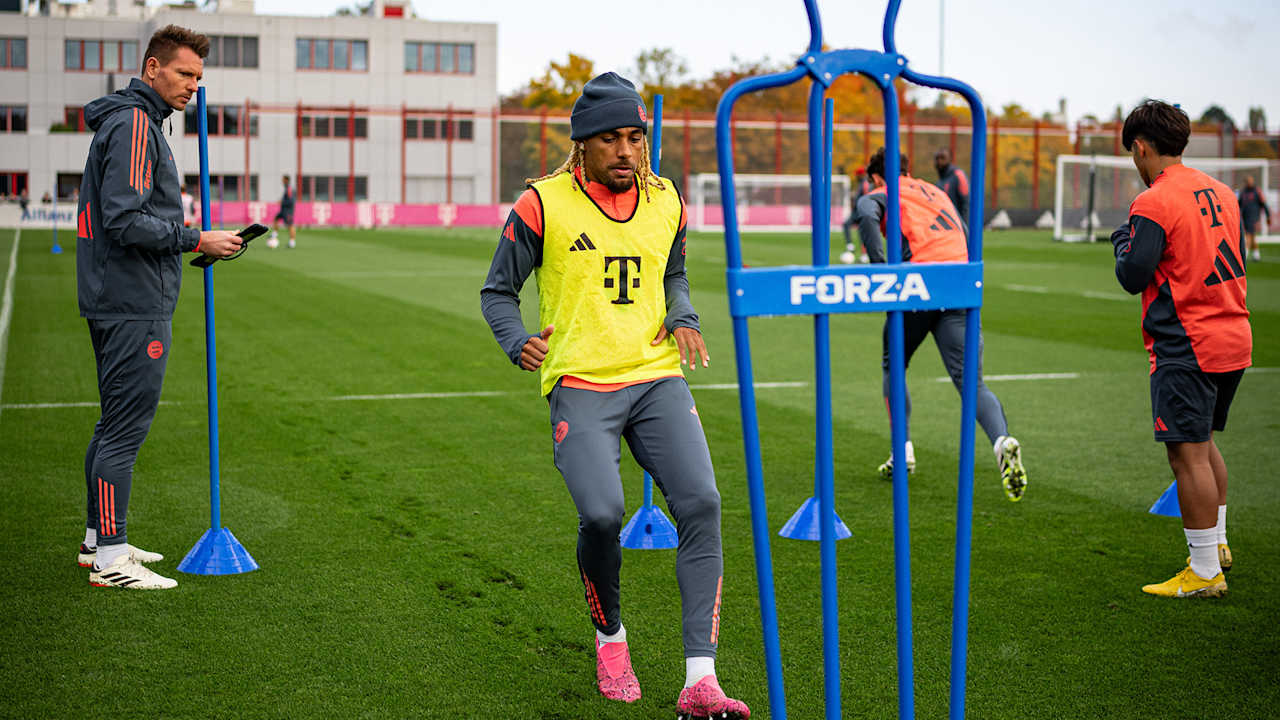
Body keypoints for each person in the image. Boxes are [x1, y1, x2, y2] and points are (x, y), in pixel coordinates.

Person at [480, 72, 750, 719]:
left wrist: (682, 313)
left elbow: (674, 274)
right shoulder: (541, 205)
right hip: (580, 385)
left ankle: (700, 679)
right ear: (582, 146)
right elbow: (497, 292)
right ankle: (611, 637)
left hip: (656, 377)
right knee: (603, 515)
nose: (626, 150)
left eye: (635, 137)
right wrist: (517, 339)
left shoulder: (666, 200)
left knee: (702, 503)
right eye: (611, 139)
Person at [75, 25, 243, 590]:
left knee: (111, 424)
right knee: (124, 429)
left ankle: (99, 540)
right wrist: (198, 239)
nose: (193, 85)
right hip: (131, 300)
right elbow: (124, 220)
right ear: (152, 68)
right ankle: (111, 560)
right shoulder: (136, 125)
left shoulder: (132, 122)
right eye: (183, 73)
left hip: (117, 295)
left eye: (199, 76)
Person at [1110, 100, 1251, 599]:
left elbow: (1133, 274)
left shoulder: (1154, 199)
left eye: (1133, 151)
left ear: (1142, 147)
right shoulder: (1222, 192)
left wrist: (1119, 240)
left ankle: (1204, 570)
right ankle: (1219, 546)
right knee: (1205, 444)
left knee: (1187, 455)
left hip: (1188, 341)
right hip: (1233, 332)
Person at [854, 146, 1027, 501]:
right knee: (971, 384)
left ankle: (901, 451)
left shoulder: (882, 192)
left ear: (875, 177)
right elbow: (964, 229)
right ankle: (1001, 442)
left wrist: (878, 267)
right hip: (958, 283)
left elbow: (866, 212)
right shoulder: (935, 190)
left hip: (918, 283)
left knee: (894, 365)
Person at [840, 165, 872, 263]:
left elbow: (867, 197)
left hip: (861, 211)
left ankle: (864, 254)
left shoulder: (865, 184)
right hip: (858, 211)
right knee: (851, 227)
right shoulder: (862, 183)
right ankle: (853, 247)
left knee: (862, 233)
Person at [1237, 175, 1270, 262]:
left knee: (1248, 235)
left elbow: (1264, 204)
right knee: (1252, 236)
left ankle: (1245, 255)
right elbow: (1238, 204)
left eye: (1250, 181)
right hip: (1245, 216)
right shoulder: (1243, 192)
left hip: (1254, 217)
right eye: (1248, 181)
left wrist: (1268, 216)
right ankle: (1256, 255)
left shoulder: (1257, 191)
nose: (1249, 182)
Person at [933, 148, 969, 224]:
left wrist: (964, 225)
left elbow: (966, 201)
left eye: (943, 158)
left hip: (957, 224)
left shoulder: (958, 175)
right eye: (937, 158)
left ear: (950, 159)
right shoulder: (940, 181)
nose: (939, 161)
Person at [269, 175, 296, 248]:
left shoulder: (289, 189)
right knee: (276, 218)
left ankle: (292, 242)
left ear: (286, 180)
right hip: (284, 210)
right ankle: (274, 233)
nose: (282, 181)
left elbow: (291, 201)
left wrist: (282, 202)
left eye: (283, 180)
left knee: (290, 225)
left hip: (288, 211)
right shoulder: (287, 188)